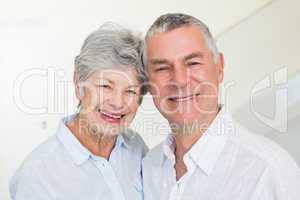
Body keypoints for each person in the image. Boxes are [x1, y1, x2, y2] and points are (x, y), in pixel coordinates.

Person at [142, 13, 300, 200]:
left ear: (219, 68)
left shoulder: (268, 172)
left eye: (193, 63)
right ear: (148, 83)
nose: (180, 80)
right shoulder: (147, 168)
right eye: (162, 68)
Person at [10, 23, 148, 200]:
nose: (117, 103)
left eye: (130, 91)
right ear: (78, 83)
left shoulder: (136, 147)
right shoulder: (38, 174)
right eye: (105, 86)